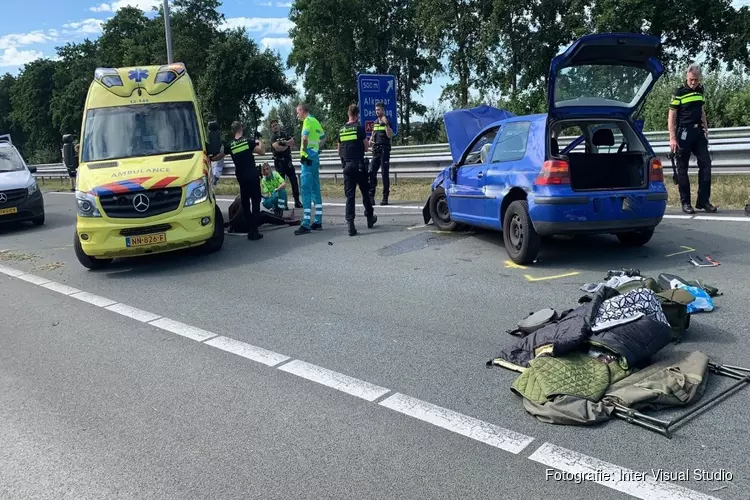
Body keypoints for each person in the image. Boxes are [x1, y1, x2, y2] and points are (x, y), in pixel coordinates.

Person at [668, 62, 716, 214]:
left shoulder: (700, 91)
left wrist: (706, 130)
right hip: (683, 134)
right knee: (683, 169)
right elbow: (671, 115)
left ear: (699, 78)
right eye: (691, 79)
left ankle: (703, 201)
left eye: (695, 79)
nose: (693, 82)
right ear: (686, 78)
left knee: (706, 164)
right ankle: (686, 203)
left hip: (698, 133)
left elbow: (702, 111)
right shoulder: (680, 92)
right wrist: (672, 138)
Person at [213, 120, 265, 240]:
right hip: (253, 176)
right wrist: (260, 141)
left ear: (233, 132)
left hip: (241, 178)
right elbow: (262, 152)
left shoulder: (230, 145)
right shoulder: (248, 141)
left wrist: (210, 156)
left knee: (245, 203)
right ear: (241, 129)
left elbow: (218, 157)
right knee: (256, 202)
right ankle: (254, 231)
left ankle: (249, 228)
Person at [338, 104, 377, 236]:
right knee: (365, 192)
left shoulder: (342, 130)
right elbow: (366, 148)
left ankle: (350, 225)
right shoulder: (359, 129)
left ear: (348, 114)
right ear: (357, 115)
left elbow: (339, 150)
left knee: (350, 196)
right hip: (359, 166)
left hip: (347, 166)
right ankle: (370, 217)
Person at [294, 103, 325, 235]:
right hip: (315, 158)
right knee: (315, 188)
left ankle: (305, 223)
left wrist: (306, 150)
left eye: (297, 112)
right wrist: (316, 150)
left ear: (302, 110)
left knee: (306, 189)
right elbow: (323, 138)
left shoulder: (307, 121)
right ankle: (318, 220)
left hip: (307, 159)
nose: (297, 115)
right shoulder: (316, 121)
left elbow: (305, 137)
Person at [269, 119, 302, 208]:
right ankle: (283, 204)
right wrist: (287, 144)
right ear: (272, 129)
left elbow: (293, 142)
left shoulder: (285, 134)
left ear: (279, 125)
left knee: (294, 181)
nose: (275, 127)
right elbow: (277, 148)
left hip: (288, 161)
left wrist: (283, 143)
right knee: (281, 184)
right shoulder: (273, 137)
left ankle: (297, 201)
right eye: (273, 126)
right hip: (279, 162)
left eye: (276, 125)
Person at [368, 102, 394, 206]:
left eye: (378, 110)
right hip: (376, 150)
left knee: (384, 174)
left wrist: (386, 124)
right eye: (376, 110)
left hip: (384, 149)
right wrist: (370, 140)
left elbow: (390, 135)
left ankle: (385, 197)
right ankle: (371, 196)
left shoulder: (387, 121)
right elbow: (373, 134)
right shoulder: (375, 122)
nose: (377, 111)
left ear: (383, 110)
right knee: (371, 172)